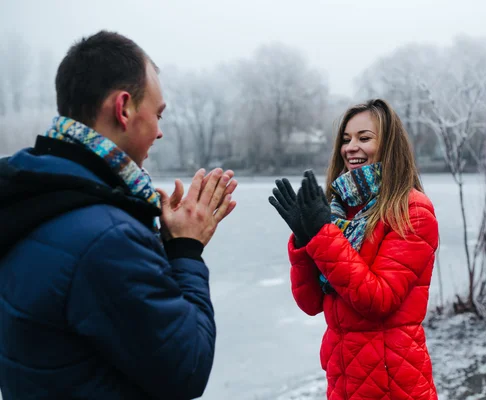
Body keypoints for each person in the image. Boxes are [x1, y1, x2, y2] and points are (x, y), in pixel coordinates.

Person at [0, 31, 237, 400]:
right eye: (158, 115)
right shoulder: (107, 238)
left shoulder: (34, 194)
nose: (159, 132)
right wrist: (185, 250)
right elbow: (186, 369)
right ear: (123, 108)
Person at [269, 99, 439, 400]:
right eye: (346, 139)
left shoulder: (412, 211)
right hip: (345, 379)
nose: (351, 147)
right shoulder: (342, 211)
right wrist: (304, 238)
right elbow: (311, 302)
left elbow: (378, 300)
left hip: (392, 381)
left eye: (364, 138)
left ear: (388, 144)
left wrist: (323, 235)